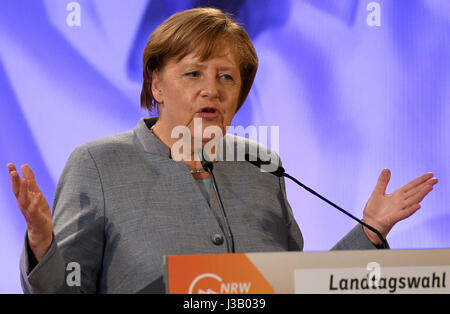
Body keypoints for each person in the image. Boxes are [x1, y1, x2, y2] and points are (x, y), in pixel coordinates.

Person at [8, 8, 438, 294]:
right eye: (193, 73)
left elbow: (293, 285)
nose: (211, 89)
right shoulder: (98, 164)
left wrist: (370, 231)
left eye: (227, 77)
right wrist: (44, 245)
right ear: (156, 85)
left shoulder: (261, 167)